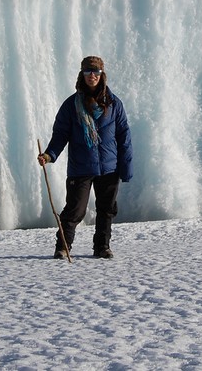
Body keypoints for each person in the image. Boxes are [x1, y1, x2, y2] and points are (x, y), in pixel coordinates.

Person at [38, 56, 133, 259]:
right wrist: (49, 155)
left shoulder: (114, 104)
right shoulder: (71, 105)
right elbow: (60, 135)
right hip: (81, 167)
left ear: (102, 75)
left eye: (96, 72)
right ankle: (63, 247)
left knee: (106, 210)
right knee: (75, 210)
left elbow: (124, 137)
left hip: (109, 167)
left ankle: (102, 247)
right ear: (82, 74)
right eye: (88, 72)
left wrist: (125, 167)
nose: (92, 76)